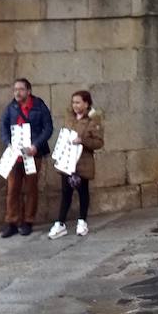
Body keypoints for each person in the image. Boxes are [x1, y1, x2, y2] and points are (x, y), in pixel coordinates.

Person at [0, 77, 52, 238]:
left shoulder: (39, 106)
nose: (17, 92)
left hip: (32, 154)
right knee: (12, 188)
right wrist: (8, 143)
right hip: (15, 155)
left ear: (28, 91)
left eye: (20, 89)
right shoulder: (11, 108)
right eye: (15, 90)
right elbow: (3, 128)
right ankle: (12, 221)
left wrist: (36, 146)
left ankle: (28, 220)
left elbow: (48, 128)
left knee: (31, 188)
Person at [48, 90, 104, 239]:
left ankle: (82, 221)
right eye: (73, 102)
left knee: (82, 192)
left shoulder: (93, 121)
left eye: (78, 102)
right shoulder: (70, 117)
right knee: (66, 192)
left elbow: (98, 142)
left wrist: (83, 140)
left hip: (83, 162)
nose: (75, 105)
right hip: (67, 161)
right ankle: (60, 223)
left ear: (86, 104)